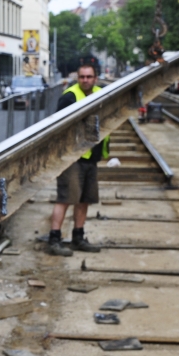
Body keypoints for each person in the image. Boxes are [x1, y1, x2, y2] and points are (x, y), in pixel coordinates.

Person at [47, 62, 109, 257]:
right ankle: (54, 240)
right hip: (71, 158)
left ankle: (78, 238)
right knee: (66, 198)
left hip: (92, 157)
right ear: (77, 78)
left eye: (89, 77)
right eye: (82, 77)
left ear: (95, 78)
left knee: (84, 200)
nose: (85, 80)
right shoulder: (69, 97)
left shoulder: (102, 93)